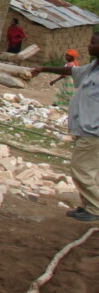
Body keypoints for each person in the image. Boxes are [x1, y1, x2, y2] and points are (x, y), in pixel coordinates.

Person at [34, 30, 99, 223]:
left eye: (93, 43)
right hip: (85, 128)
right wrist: (43, 68)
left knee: (81, 169)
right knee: (90, 170)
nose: (89, 45)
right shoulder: (93, 67)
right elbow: (72, 71)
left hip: (93, 131)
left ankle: (95, 208)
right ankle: (88, 205)